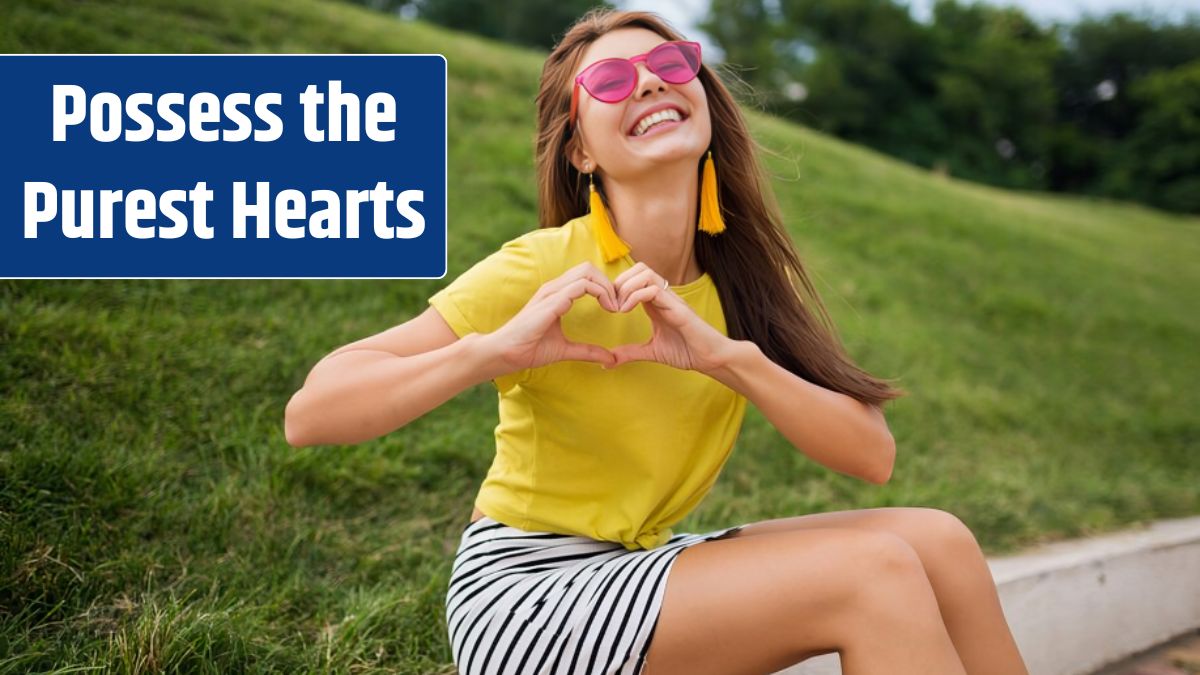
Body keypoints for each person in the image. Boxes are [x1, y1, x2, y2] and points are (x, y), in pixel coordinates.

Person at [284, 8, 1030, 675]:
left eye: (671, 66)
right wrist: (494, 351)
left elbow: (872, 455)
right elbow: (311, 412)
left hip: (639, 561)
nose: (648, 84)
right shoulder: (548, 267)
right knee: (873, 572)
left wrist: (726, 358)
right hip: (528, 594)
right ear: (580, 152)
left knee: (939, 541)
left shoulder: (742, 281)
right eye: (610, 80)